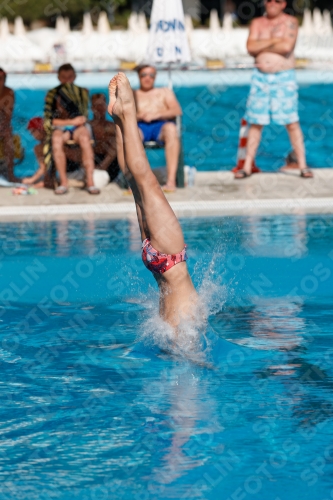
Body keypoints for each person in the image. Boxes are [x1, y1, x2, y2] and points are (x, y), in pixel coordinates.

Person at [108, 73, 197, 330]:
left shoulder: (186, 330)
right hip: (159, 261)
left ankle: (120, 119)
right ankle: (124, 116)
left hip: (167, 258)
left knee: (139, 182)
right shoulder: (184, 331)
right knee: (140, 181)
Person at [235, 0, 313, 179]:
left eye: (276, 1)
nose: (272, 3)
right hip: (260, 78)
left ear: (283, 4)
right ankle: (246, 166)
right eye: (269, 0)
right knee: (255, 122)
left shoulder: (290, 22)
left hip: (284, 78)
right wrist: (275, 39)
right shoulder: (257, 23)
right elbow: (250, 47)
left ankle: (302, 165)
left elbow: (287, 47)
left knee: (292, 121)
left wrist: (262, 42)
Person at [44, 63, 100, 194]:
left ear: (74, 77)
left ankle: (90, 182)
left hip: (78, 127)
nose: (67, 80)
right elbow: (50, 120)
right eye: (64, 77)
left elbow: (83, 117)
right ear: (59, 78)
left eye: (70, 77)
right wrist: (70, 121)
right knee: (56, 140)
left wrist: (74, 122)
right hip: (62, 126)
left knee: (85, 139)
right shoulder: (52, 94)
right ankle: (64, 183)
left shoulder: (82, 92)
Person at [134, 65, 182, 192]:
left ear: (155, 77)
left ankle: (171, 181)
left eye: (151, 75)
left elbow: (176, 110)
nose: (147, 78)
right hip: (140, 126)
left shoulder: (164, 92)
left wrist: (157, 114)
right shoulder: (133, 94)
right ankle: (137, 181)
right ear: (139, 76)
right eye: (144, 75)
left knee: (171, 129)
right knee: (132, 136)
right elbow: (122, 115)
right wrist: (139, 115)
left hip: (160, 126)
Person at [90, 93, 119, 182]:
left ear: (106, 107)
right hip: (91, 162)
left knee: (119, 139)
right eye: (96, 106)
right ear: (92, 108)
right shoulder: (87, 126)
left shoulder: (113, 126)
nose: (99, 109)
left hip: (110, 165)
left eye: (101, 105)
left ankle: (103, 166)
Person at [0, 68, 16, 181]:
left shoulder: (8, 92)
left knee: (8, 134)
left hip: (2, 126)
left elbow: (7, 116)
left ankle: (10, 174)